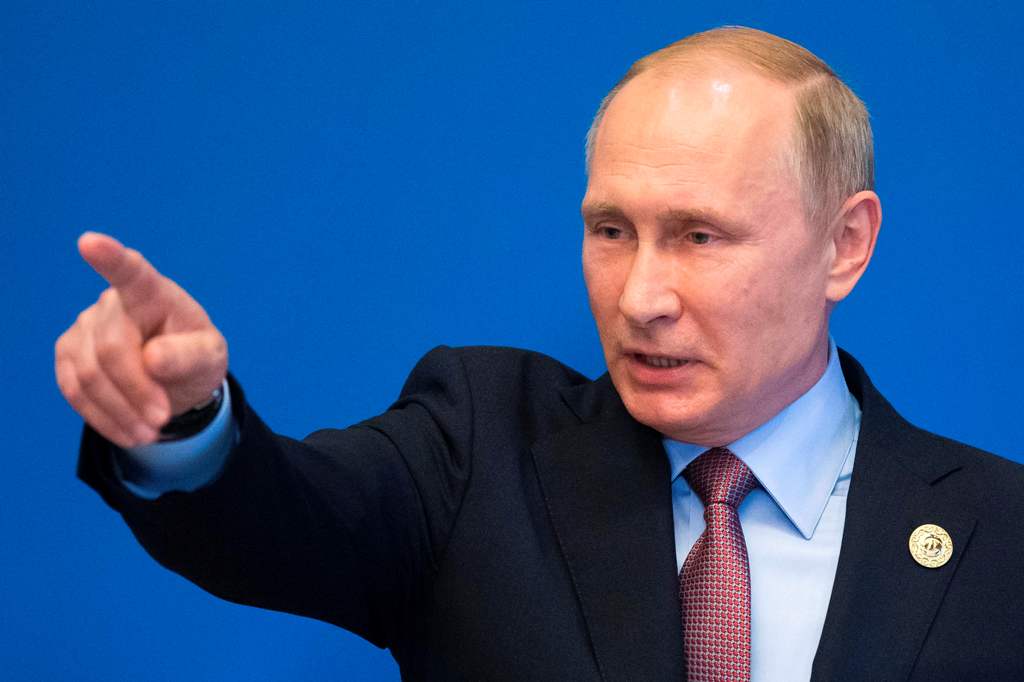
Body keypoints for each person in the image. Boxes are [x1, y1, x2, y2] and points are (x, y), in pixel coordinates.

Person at [57, 26, 1024, 681]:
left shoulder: (1003, 535)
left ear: (843, 246)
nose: (640, 298)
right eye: (611, 231)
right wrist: (186, 421)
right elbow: (283, 517)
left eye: (699, 236)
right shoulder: (479, 451)